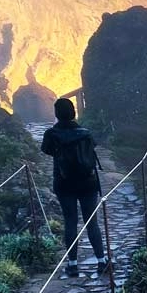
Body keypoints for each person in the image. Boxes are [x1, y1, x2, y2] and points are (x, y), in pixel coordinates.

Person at [41, 98, 107, 278]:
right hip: (88, 182)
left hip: (64, 183)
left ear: (56, 114)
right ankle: (101, 261)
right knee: (91, 222)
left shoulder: (51, 134)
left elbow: (46, 150)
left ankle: (72, 265)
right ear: (73, 113)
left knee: (70, 221)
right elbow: (93, 147)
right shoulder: (85, 133)